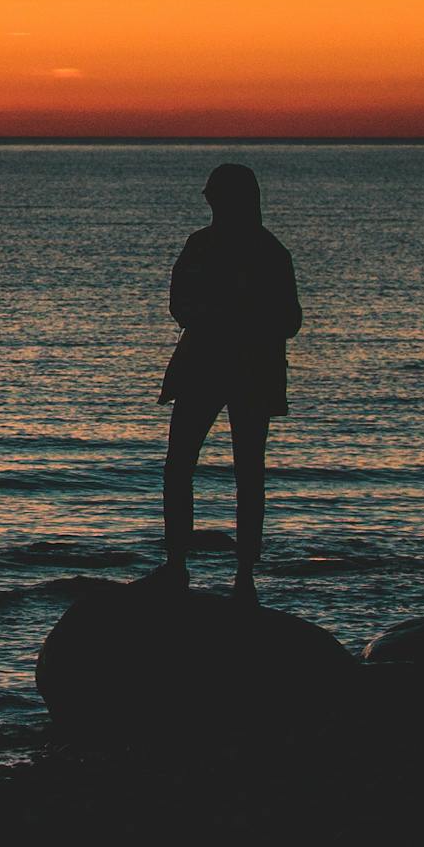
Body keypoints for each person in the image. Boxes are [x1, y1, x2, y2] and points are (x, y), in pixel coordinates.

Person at [160, 162, 302, 603]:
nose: (209, 202)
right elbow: (290, 321)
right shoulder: (267, 250)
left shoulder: (208, 247)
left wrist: (221, 318)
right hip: (244, 370)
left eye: (214, 196)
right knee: (242, 472)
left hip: (215, 367)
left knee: (187, 465)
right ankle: (233, 573)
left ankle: (190, 567)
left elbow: (180, 305)